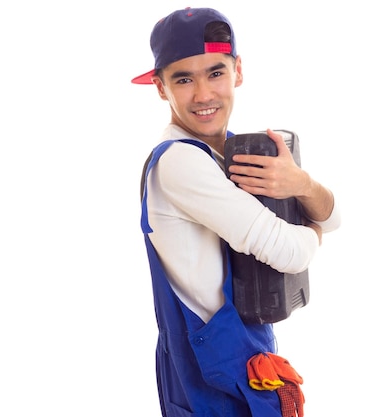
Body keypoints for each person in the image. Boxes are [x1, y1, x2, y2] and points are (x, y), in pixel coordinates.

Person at [132, 7, 340, 417]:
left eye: (215, 73)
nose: (204, 95)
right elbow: (291, 251)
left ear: (237, 71)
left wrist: (301, 186)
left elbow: (334, 217)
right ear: (160, 87)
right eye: (183, 79)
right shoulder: (179, 162)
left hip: (240, 362)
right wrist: (310, 228)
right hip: (210, 375)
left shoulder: (229, 153)